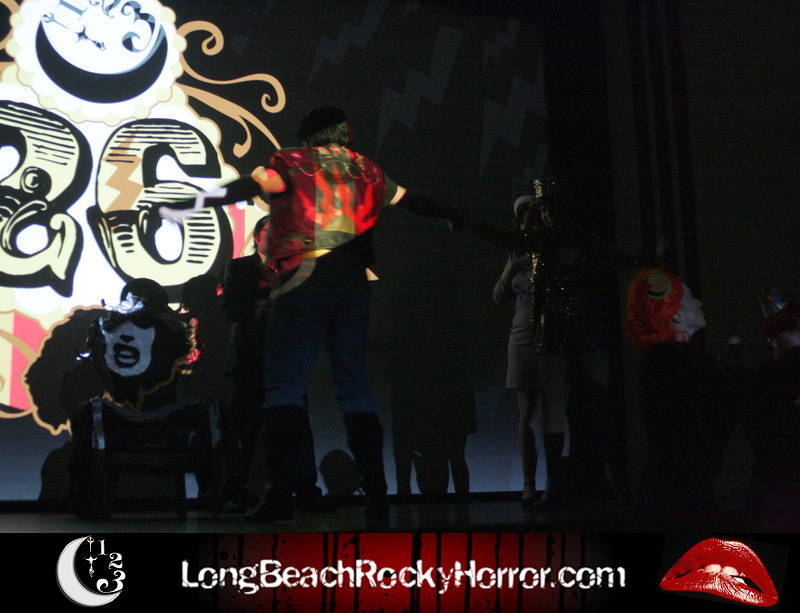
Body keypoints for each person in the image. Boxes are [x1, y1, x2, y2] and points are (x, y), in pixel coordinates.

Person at [159, 106, 465, 521]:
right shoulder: (366, 170)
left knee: (284, 390)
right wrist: (452, 213)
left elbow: (248, 185)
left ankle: (277, 493)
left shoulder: (293, 164)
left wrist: (188, 204)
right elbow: (411, 200)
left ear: (308, 138)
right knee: (354, 388)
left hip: (303, 280)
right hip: (351, 285)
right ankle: (376, 494)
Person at [220, 215, 326, 513]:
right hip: (250, 361)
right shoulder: (239, 268)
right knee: (246, 428)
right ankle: (236, 491)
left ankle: (305, 492)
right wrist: (264, 303)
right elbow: (231, 309)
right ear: (257, 237)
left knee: (297, 427)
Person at [624, 268, 731, 518]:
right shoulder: (682, 363)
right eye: (691, 298)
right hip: (684, 494)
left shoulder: (658, 360)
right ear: (677, 313)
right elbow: (707, 426)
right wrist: (729, 381)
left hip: (667, 488)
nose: (699, 303)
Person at [492, 194, 544, 507]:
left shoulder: (552, 252)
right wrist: (512, 267)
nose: (531, 225)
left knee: (553, 413)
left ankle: (556, 480)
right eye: (526, 221)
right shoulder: (515, 254)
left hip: (551, 335)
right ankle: (528, 484)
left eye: (535, 220)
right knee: (526, 414)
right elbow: (498, 296)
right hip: (523, 336)